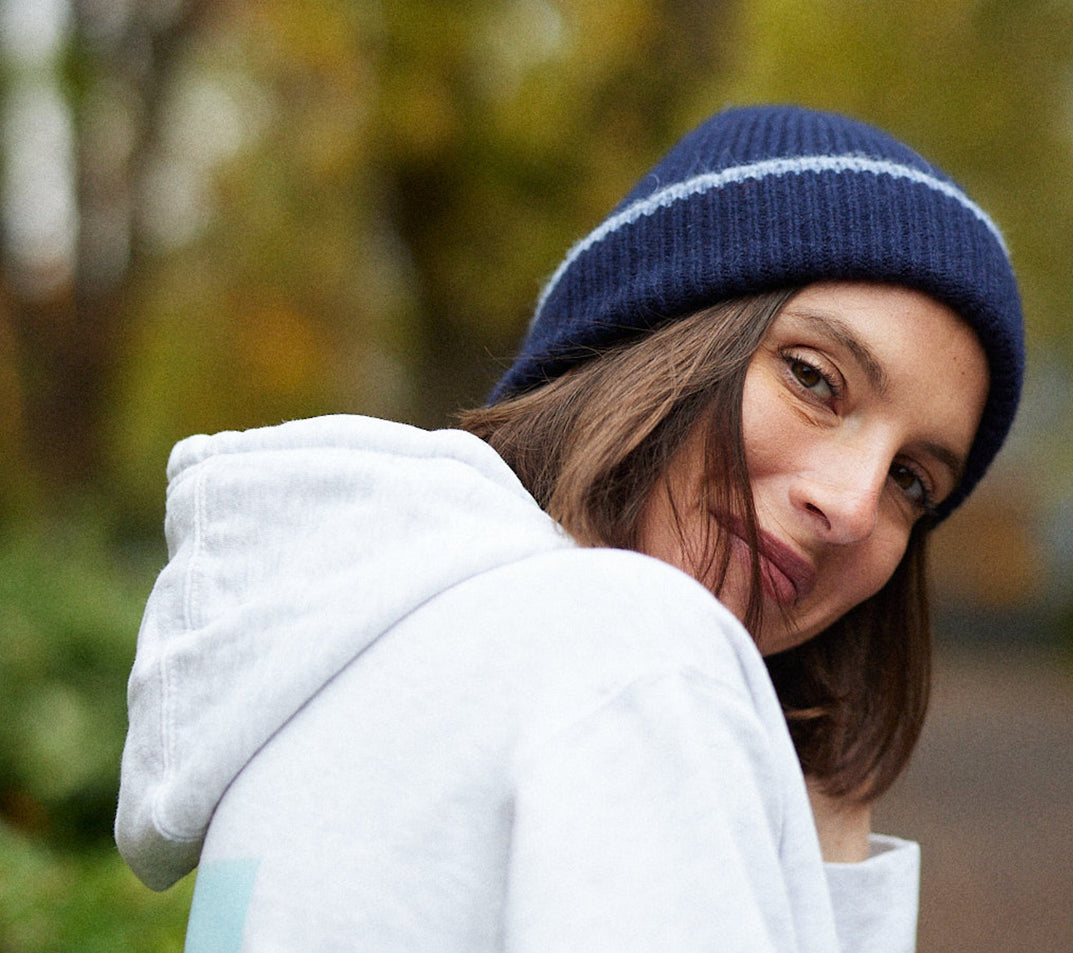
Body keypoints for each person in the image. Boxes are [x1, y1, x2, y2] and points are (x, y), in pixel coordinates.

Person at [115, 104, 1024, 952]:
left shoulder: (343, 649)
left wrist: (816, 837)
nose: (856, 504)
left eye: (912, 480)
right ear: (653, 335)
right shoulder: (636, 650)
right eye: (814, 378)